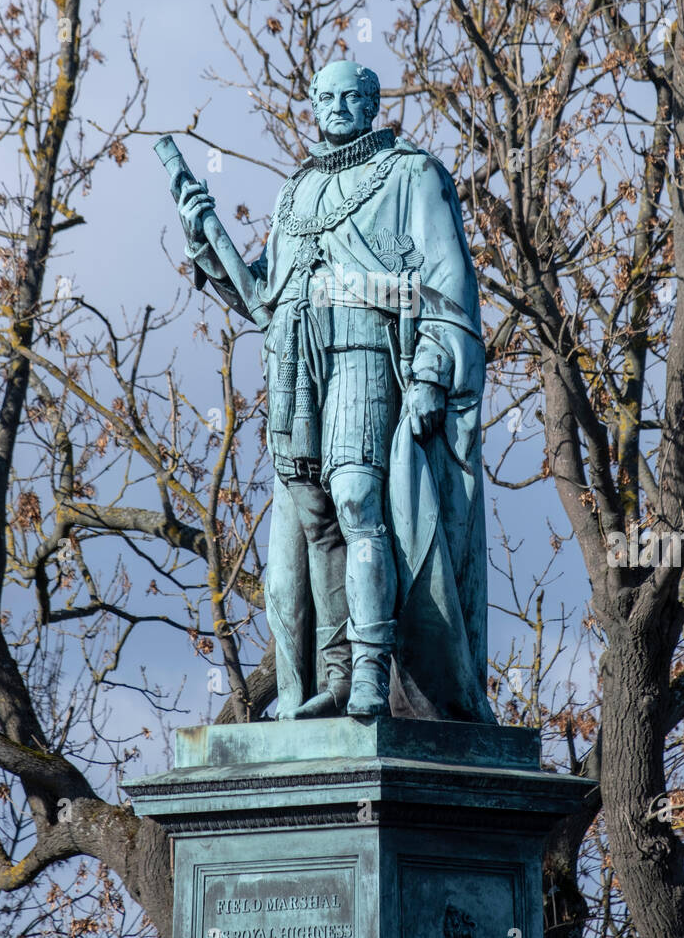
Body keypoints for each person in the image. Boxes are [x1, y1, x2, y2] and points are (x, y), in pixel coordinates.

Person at [177, 61, 493, 724]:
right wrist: (206, 241)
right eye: (327, 97)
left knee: (356, 499)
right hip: (296, 365)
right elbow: (265, 295)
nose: (340, 106)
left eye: (354, 96)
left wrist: (432, 371)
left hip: (366, 353)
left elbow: (448, 279)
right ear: (314, 106)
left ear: (374, 103)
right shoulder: (296, 192)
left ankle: (376, 678)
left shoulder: (412, 174)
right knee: (314, 522)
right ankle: (337, 677)